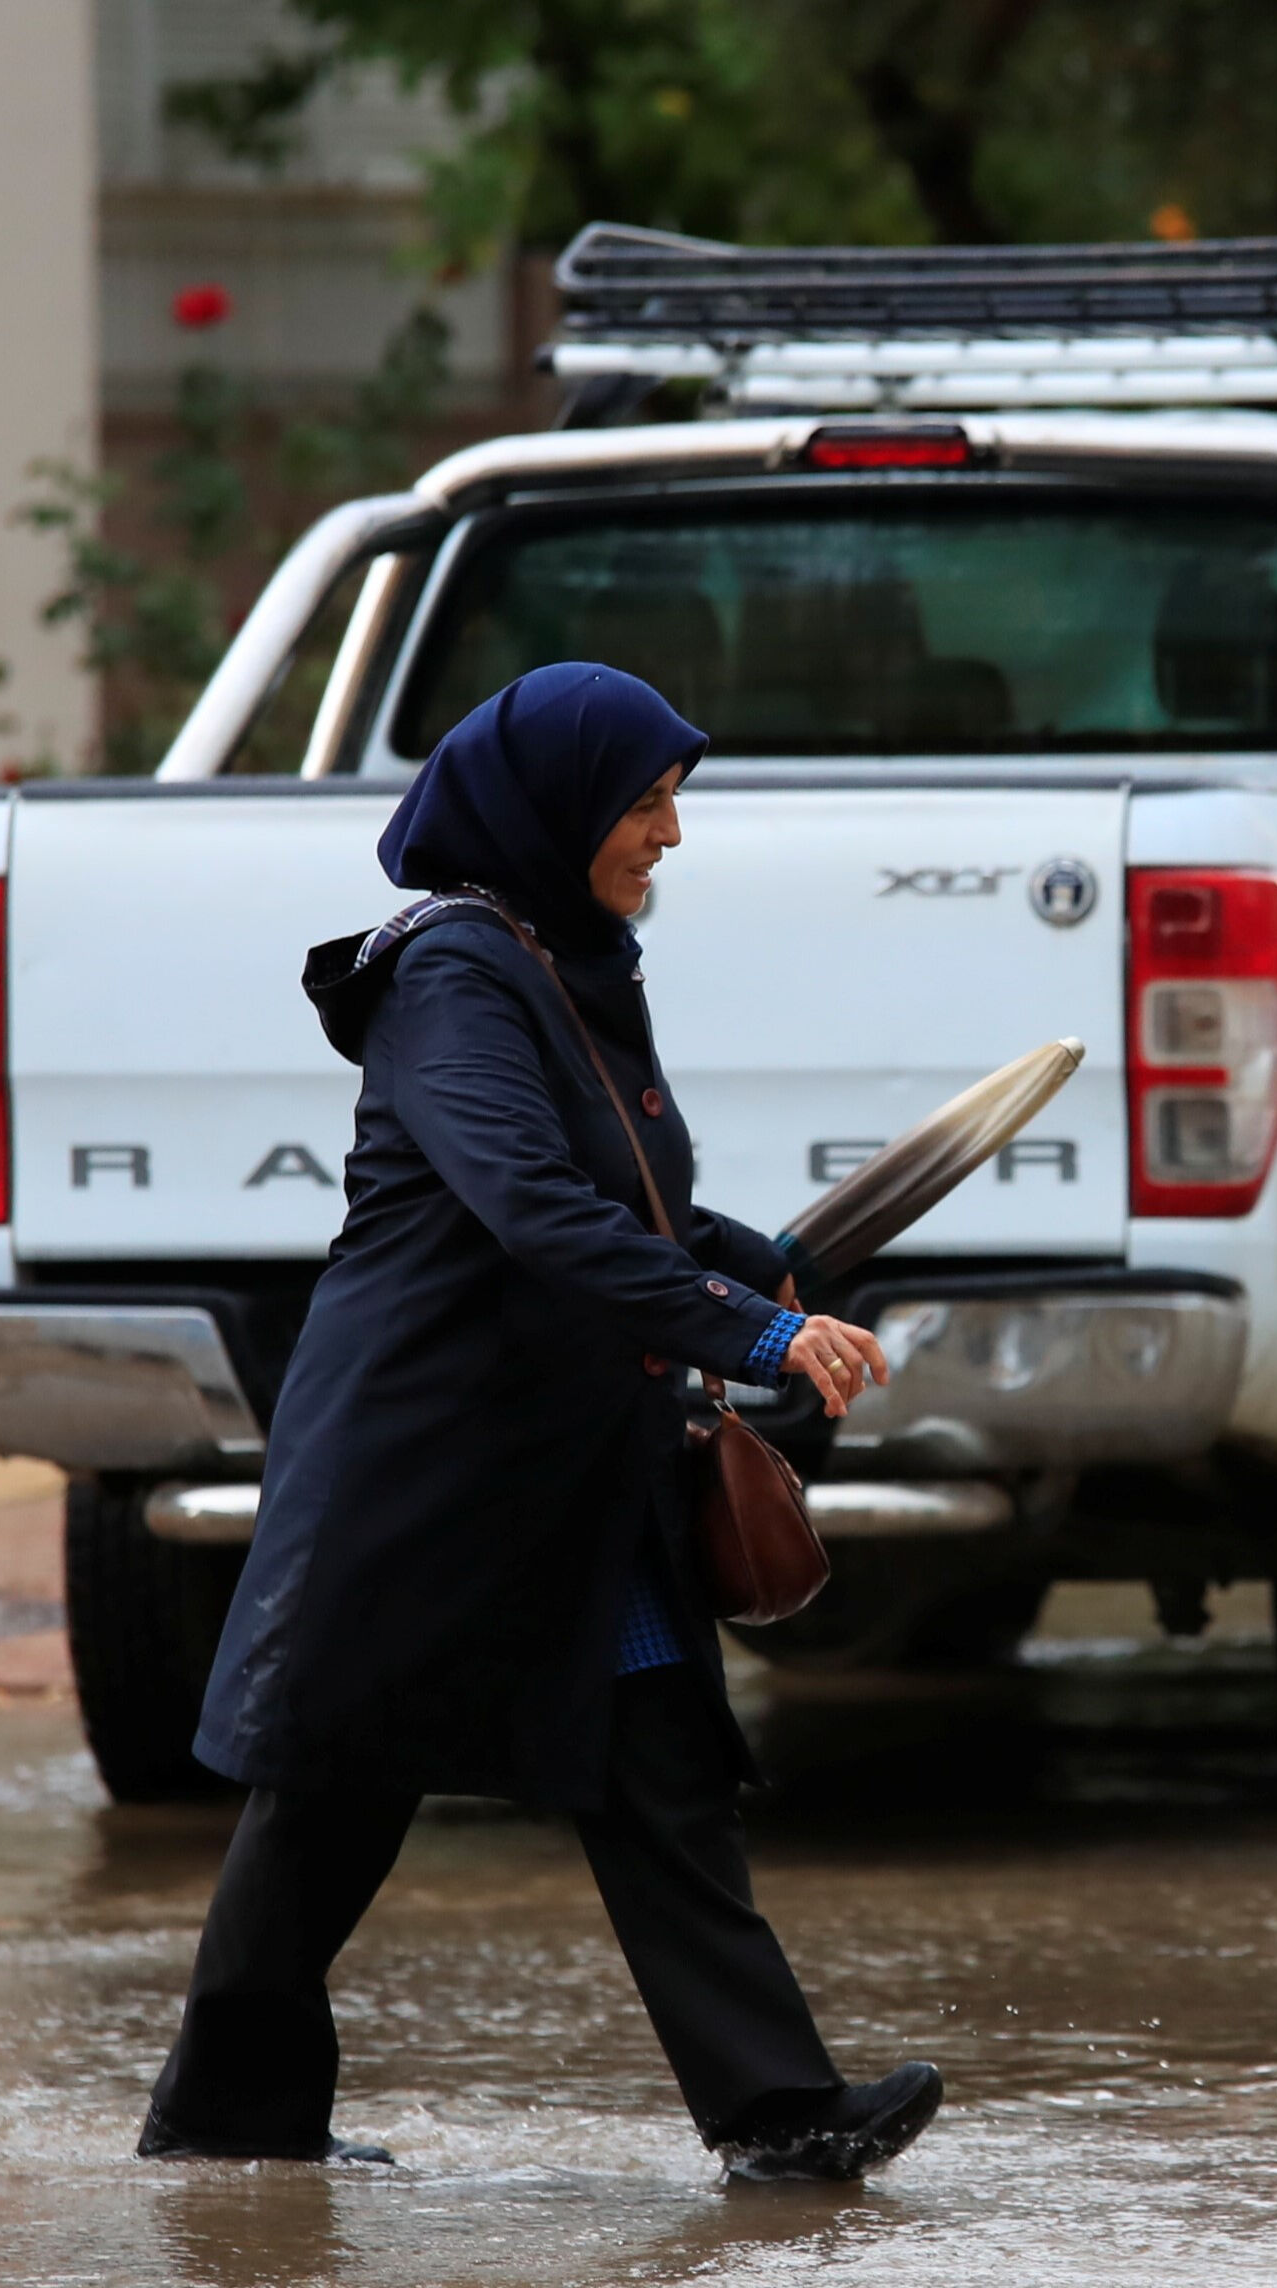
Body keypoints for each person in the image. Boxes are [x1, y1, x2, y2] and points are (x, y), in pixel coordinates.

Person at [138, 662, 944, 2186]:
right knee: (333, 1788)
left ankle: (778, 2113)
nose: (667, 838)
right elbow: (531, 1206)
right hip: (426, 1463)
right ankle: (227, 2115)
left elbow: (627, 1199)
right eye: (643, 807)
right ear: (553, 809)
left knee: (659, 1767)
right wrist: (758, 1330)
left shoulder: (558, 959)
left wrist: (757, 1261)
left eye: (670, 806)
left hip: (573, 1457)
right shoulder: (453, 975)